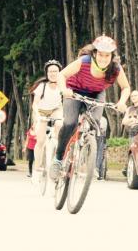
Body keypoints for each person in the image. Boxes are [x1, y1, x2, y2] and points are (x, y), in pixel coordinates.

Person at [50, 35, 131, 181]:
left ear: (112, 56)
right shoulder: (84, 61)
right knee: (70, 124)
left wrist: (122, 101)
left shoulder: (116, 69)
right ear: (94, 53)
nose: (103, 58)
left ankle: (86, 152)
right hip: (73, 90)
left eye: (107, 55)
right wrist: (64, 90)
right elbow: (62, 75)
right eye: (100, 54)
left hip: (96, 93)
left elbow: (125, 87)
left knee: (96, 124)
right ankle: (58, 159)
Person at [30, 60, 63, 173]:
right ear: (47, 73)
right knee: (40, 140)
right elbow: (35, 103)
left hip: (55, 110)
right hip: (42, 112)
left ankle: (58, 159)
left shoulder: (63, 85)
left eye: (55, 71)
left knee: (60, 124)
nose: (53, 73)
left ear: (60, 72)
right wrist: (38, 116)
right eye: (50, 71)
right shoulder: (42, 86)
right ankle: (38, 166)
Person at [96, 115, 108, 180]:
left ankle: (97, 169)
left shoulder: (103, 119)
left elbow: (102, 130)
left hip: (100, 137)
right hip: (94, 136)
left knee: (100, 153)